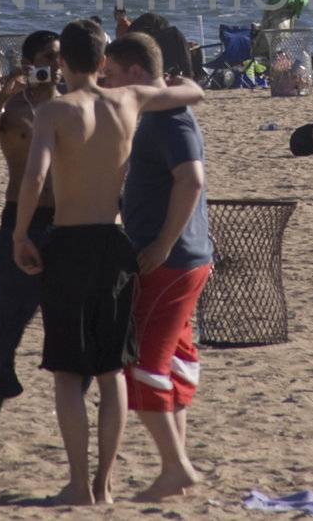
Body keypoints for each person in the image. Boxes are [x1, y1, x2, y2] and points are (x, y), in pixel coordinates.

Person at [11, 20, 204, 506]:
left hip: (72, 243)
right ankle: (106, 484)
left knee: (68, 374)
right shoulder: (130, 100)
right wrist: (176, 81)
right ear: (102, 63)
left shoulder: (55, 109)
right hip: (115, 245)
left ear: (61, 63)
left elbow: (35, 179)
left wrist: (20, 234)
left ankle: (79, 485)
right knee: (111, 371)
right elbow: (195, 92)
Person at [102, 33, 213, 502]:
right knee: (177, 362)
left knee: (143, 367)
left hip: (172, 260)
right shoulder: (156, 110)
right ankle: (176, 469)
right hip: (182, 257)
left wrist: (164, 244)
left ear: (132, 74)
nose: (106, 81)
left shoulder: (170, 119)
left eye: (110, 73)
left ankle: (175, 467)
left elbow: (192, 180)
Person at [0, 29, 61, 458]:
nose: (54, 65)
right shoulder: (12, 107)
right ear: (27, 62)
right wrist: (0, 99)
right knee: (5, 332)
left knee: (72, 333)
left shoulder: (73, 104)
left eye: (60, 58)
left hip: (66, 221)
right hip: (17, 220)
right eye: (47, 58)